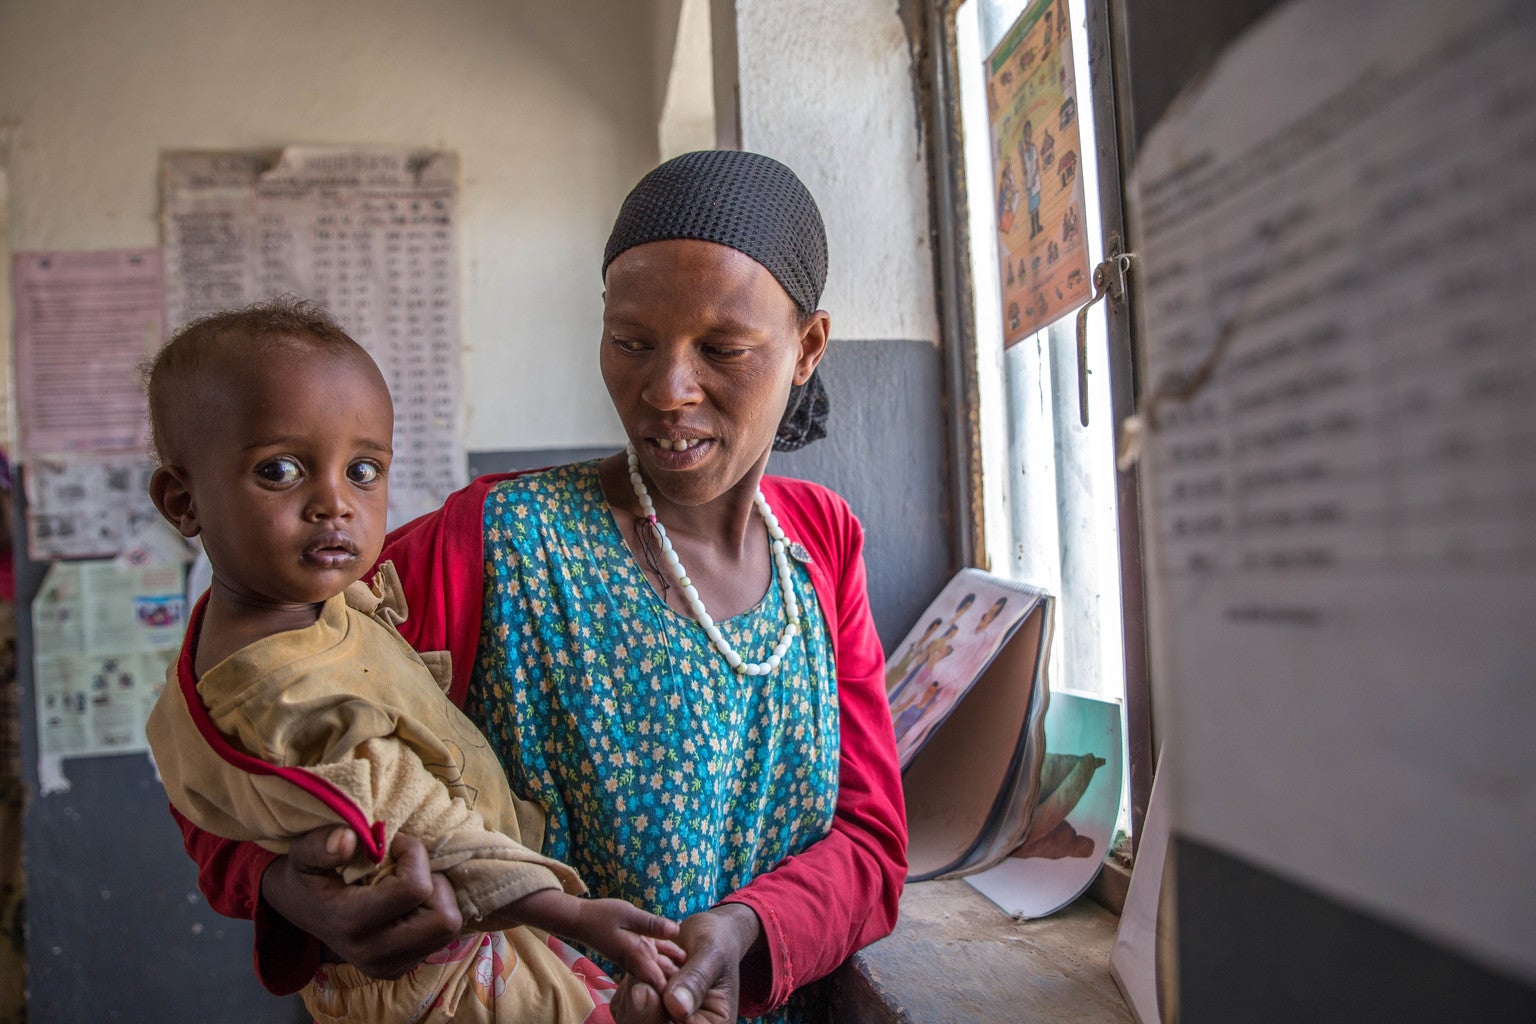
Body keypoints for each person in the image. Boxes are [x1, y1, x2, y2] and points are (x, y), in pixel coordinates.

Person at [173, 150, 908, 1024]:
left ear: (807, 349)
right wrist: (288, 888)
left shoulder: (819, 544)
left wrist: (749, 928)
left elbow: (870, 841)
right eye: (631, 342)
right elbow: (241, 720)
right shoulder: (493, 542)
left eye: (723, 349)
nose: (668, 390)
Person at [141, 300, 680, 1023]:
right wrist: (572, 913)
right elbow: (417, 815)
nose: (334, 503)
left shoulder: (311, 609)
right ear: (184, 500)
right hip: (441, 976)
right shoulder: (280, 686)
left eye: (363, 470)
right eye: (279, 470)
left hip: (492, 938)